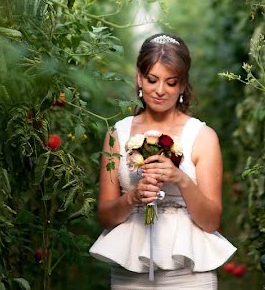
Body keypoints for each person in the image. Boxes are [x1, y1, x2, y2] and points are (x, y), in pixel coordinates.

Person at [89, 32, 236, 288]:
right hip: (130, 272)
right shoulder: (117, 134)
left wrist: (180, 179)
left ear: (182, 85)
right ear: (139, 77)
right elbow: (104, 216)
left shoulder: (202, 137)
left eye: (171, 82)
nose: (159, 91)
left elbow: (211, 221)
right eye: (152, 79)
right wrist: (132, 197)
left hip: (188, 273)